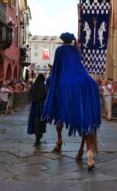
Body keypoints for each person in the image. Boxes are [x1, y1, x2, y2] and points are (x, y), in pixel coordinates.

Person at [42, 32, 101, 169]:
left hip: (66, 83)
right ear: (71, 40)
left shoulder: (60, 50)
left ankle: (59, 141)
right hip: (85, 80)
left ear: (63, 40)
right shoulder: (75, 50)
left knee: (59, 109)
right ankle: (88, 154)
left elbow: (56, 69)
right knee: (86, 117)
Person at [27, 74, 47, 146]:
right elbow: (46, 95)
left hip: (33, 107)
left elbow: (29, 95)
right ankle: (38, 138)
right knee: (40, 122)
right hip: (41, 106)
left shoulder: (33, 86)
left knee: (34, 122)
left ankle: (37, 138)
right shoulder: (43, 87)